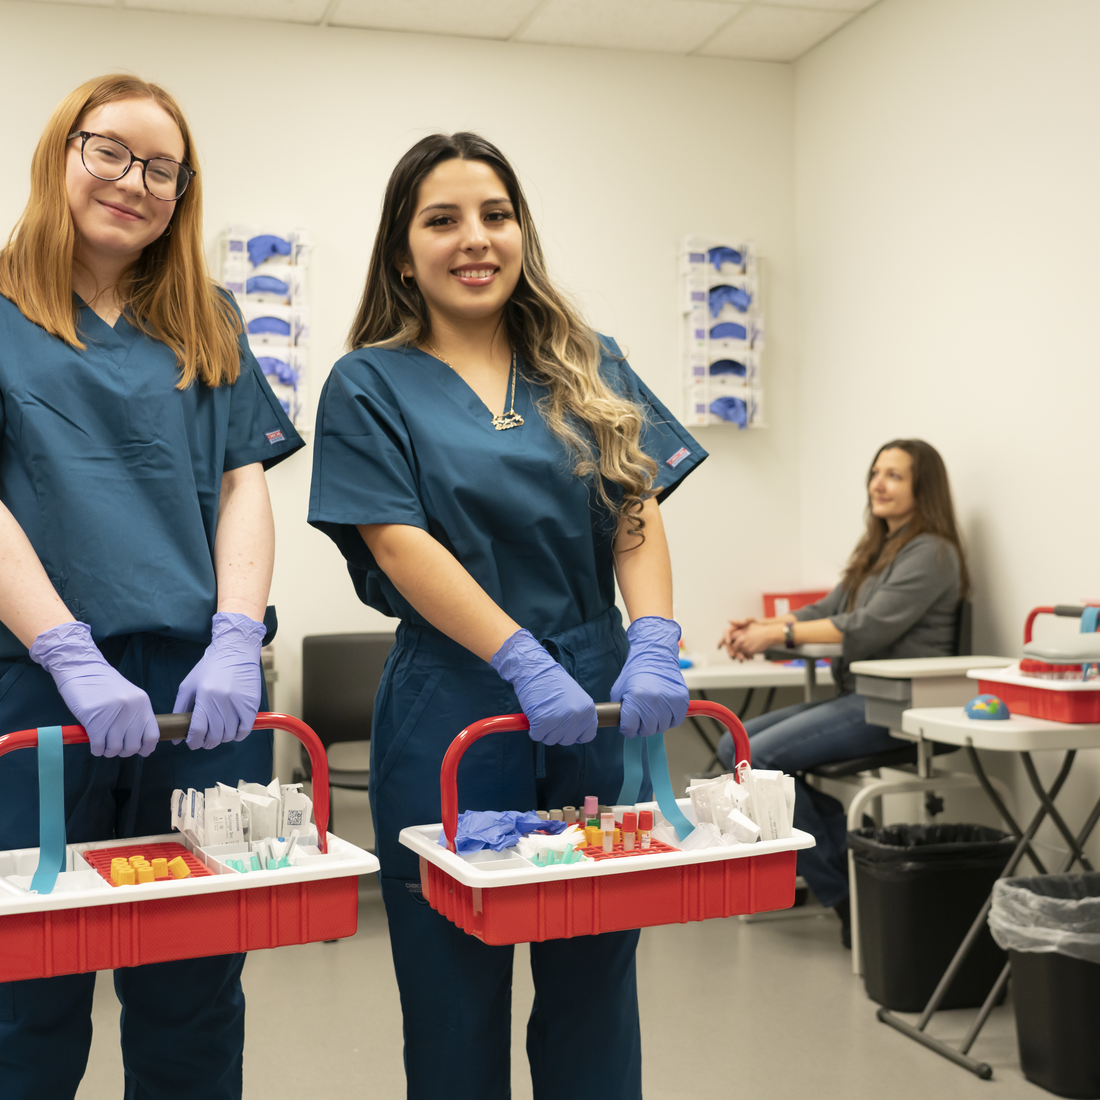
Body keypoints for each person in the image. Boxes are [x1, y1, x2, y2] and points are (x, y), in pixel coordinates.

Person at [309, 132, 704, 1100]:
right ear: (403, 253)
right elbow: (398, 542)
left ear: (522, 230)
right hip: (457, 692)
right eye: (441, 220)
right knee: (453, 992)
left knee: (594, 981)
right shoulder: (368, 382)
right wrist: (520, 656)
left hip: (596, 689)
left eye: (495, 215)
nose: (474, 239)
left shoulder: (587, 361)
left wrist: (653, 635)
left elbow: (635, 508)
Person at [0, 75, 302, 1098]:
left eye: (163, 169)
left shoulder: (206, 318)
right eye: (111, 152)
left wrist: (237, 634)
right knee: (27, 990)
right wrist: (67, 651)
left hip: (198, 693)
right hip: (40, 687)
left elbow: (243, 480)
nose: (134, 182)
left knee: (194, 987)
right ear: (60, 152)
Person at [716, 439, 968, 945]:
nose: (879, 484)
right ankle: (847, 853)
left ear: (924, 488)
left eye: (895, 475)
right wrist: (763, 626)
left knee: (756, 756)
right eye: (876, 473)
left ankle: (844, 895)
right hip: (862, 698)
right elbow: (825, 610)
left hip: (901, 707)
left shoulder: (932, 553)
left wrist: (780, 634)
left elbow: (866, 627)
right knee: (733, 745)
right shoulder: (878, 549)